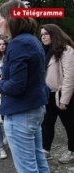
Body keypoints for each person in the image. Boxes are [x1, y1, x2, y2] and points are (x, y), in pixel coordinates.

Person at [0, 1, 50, 173]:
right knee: (39, 161)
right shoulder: (31, 40)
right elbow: (26, 75)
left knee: (28, 170)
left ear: (10, 19)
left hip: (21, 113)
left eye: (0, 18)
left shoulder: (18, 44)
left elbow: (17, 87)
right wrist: (0, 73)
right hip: (33, 108)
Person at [40, 24, 74, 163]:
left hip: (63, 95)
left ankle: (72, 151)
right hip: (48, 94)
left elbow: (70, 77)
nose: (43, 36)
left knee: (70, 124)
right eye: (41, 34)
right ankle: (45, 150)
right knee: (47, 123)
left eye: (46, 34)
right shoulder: (45, 50)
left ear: (54, 34)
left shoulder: (66, 50)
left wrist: (64, 99)